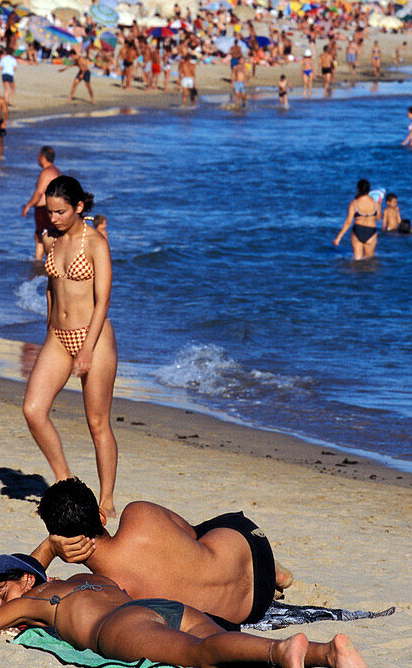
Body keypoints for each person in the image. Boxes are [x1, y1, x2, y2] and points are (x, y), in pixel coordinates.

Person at [0, 555, 376, 668]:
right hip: (158, 605)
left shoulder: (33, 601)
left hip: (117, 628)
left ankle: (281, 649)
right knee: (223, 642)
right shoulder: (83, 577)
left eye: (1, 591)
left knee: (201, 656)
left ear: (26, 579)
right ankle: (327, 652)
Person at [30, 477, 292, 628]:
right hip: (254, 548)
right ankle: (276, 573)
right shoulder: (138, 514)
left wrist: (48, 549)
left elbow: (24, 589)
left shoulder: (103, 589)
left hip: (251, 610)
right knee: (195, 534)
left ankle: (268, 579)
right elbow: (191, 534)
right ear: (101, 516)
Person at [22, 178, 118, 517]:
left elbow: (103, 300)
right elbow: (51, 288)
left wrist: (88, 349)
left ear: (78, 207)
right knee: (33, 410)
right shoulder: (52, 240)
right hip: (58, 338)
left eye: (60, 211)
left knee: (97, 422)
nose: (53, 218)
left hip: (93, 337)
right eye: (49, 212)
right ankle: (66, 482)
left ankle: (106, 500)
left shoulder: (95, 243)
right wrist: (48, 330)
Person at [21, 146, 61, 261]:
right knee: (39, 236)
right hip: (53, 208)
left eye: (38, 156)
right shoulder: (57, 171)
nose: (38, 159)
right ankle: (38, 261)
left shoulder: (47, 172)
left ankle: (48, 263)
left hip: (44, 209)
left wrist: (28, 206)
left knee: (45, 237)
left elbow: (39, 193)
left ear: (43, 157)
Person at [333, 178, 379, 260]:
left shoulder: (354, 203)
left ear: (358, 189)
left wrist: (338, 238)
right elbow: (378, 218)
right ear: (369, 189)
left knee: (357, 260)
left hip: (358, 230)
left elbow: (348, 222)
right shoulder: (376, 204)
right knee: (370, 261)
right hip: (371, 231)